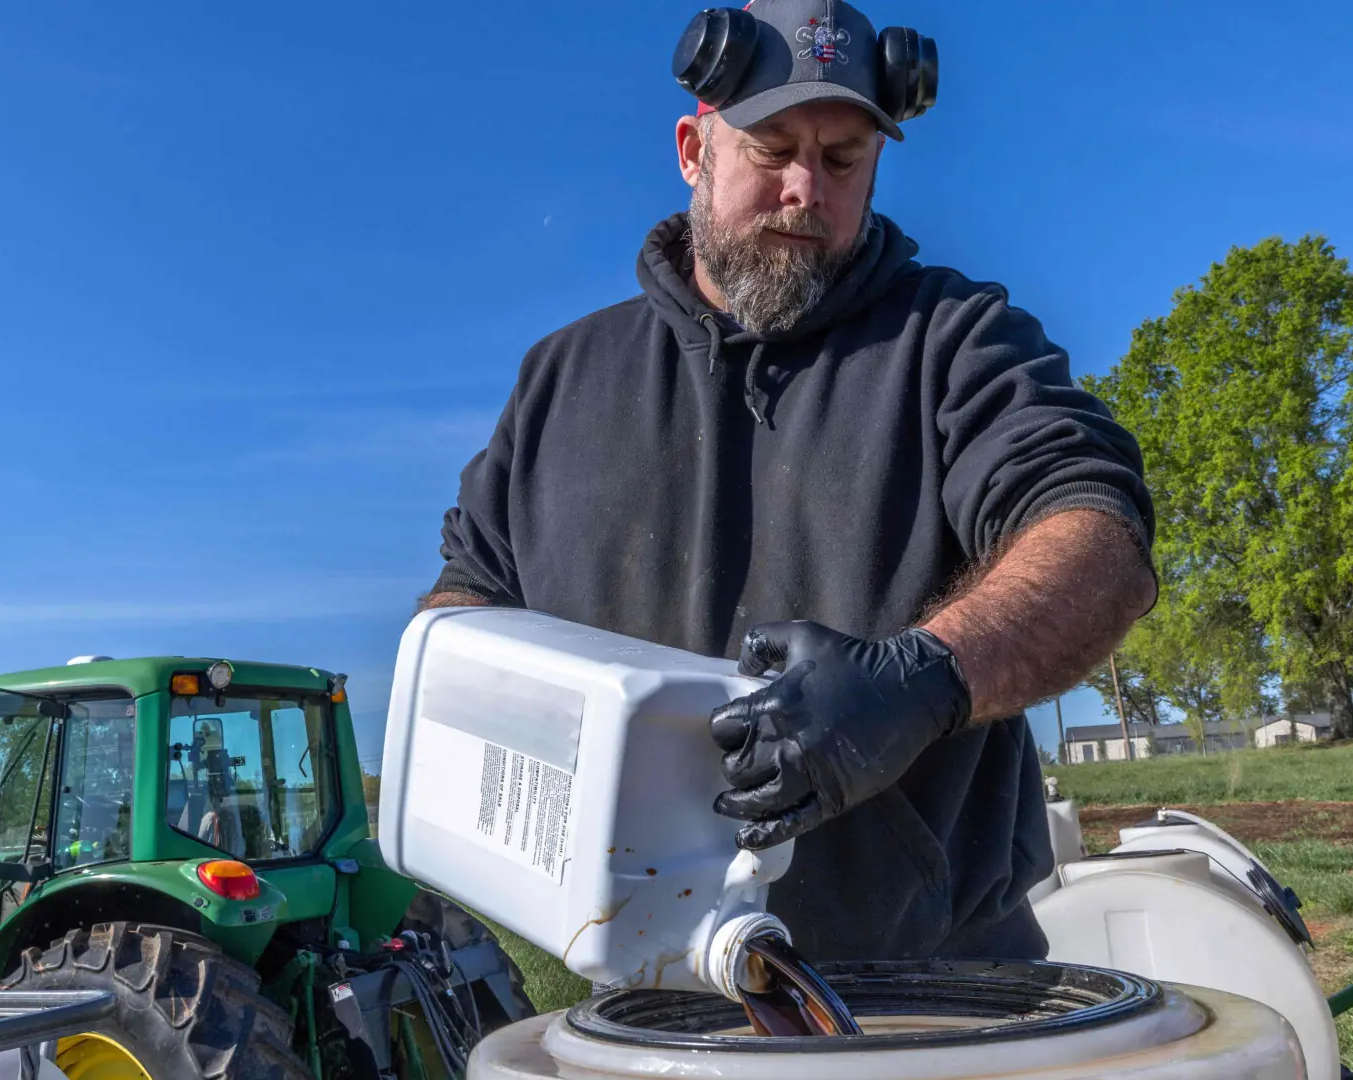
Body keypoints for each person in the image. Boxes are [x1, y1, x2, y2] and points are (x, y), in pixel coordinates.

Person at [421, 0, 1156, 962]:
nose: (807, 189)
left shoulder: (955, 340)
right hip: (639, 986)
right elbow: (463, 609)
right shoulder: (562, 379)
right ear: (694, 149)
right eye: (772, 150)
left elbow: (1094, 532)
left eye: (843, 158)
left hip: (940, 988)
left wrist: (922, 681)